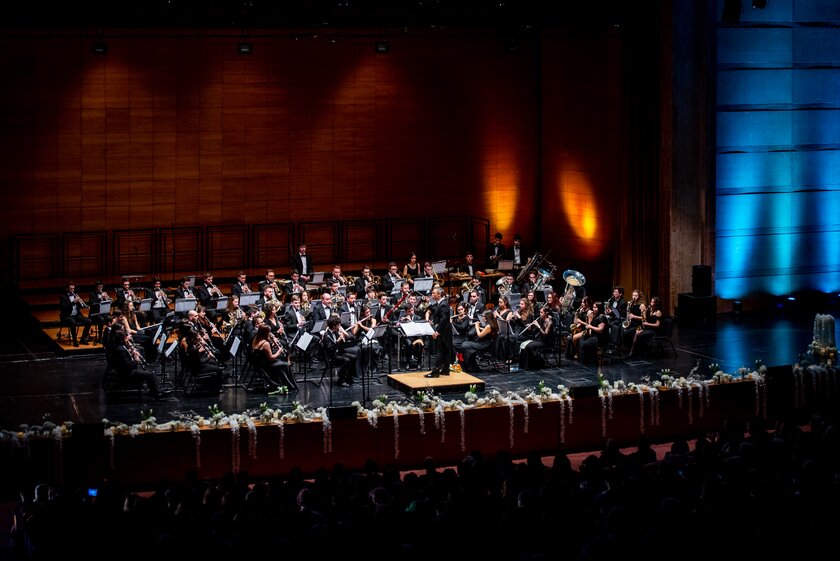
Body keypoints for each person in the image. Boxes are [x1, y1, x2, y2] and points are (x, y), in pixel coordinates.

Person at [111, 328, 163, 399]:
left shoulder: (121, 347)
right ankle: (158, 392)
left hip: (128, 370)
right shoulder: (121, 350)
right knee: (150, 374)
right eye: (125, 338)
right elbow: (127, 366)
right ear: (121, 339)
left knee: (148, 373)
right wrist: (136, 360)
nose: (127, 339)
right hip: (128, 374)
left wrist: (132, 354)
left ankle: (155, 391)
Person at [251, 324, 298, 391]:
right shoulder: (265, 343)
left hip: (260, 363)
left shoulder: (256, 339)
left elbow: (263, 353)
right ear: (265, 333)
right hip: (267, 365)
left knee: (281, 363)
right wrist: (278, 352)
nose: (270, 333)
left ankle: (285, 383)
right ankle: (290, 386)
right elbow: (271, 358)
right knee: (286, 365)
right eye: (269, 332)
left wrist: (273, 345)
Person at [426, 287, 454, 377]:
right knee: (445, 350)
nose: (432, 295)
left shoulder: (443, 304)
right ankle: (446, 370)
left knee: (440, 351)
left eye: (434, 293)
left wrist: (437, 331)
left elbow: (444, 319)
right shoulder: (440, 303)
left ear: (439, 294)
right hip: (445, 330)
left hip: (443, 331)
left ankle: (435, 372)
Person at [519, 305, 554, 370]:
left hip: (546, 341)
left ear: (546, 313)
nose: (540, 314)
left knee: (529, 346)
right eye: (540, 312)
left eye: (541, 312)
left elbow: (545, 334)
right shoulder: (541, 319)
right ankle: (523, 365)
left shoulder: (549, 322)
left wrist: (538, 326)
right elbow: (534, 331)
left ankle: (534, 364)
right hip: (539, 339)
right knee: (524, 345)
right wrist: (530, 328)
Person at [59, 282, 92, 346]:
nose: (73, 290)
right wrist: (73, 302)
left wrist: (84, 305)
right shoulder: (62, 297)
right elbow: (64, 307)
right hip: (67, 316)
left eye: (73, 289)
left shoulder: (75, 295)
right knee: (73, 322)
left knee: (89, 321)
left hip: (76, 315)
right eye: (71, 289)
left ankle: (83, 339)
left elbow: (79, 306)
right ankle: (75, 341)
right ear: (67, 289)